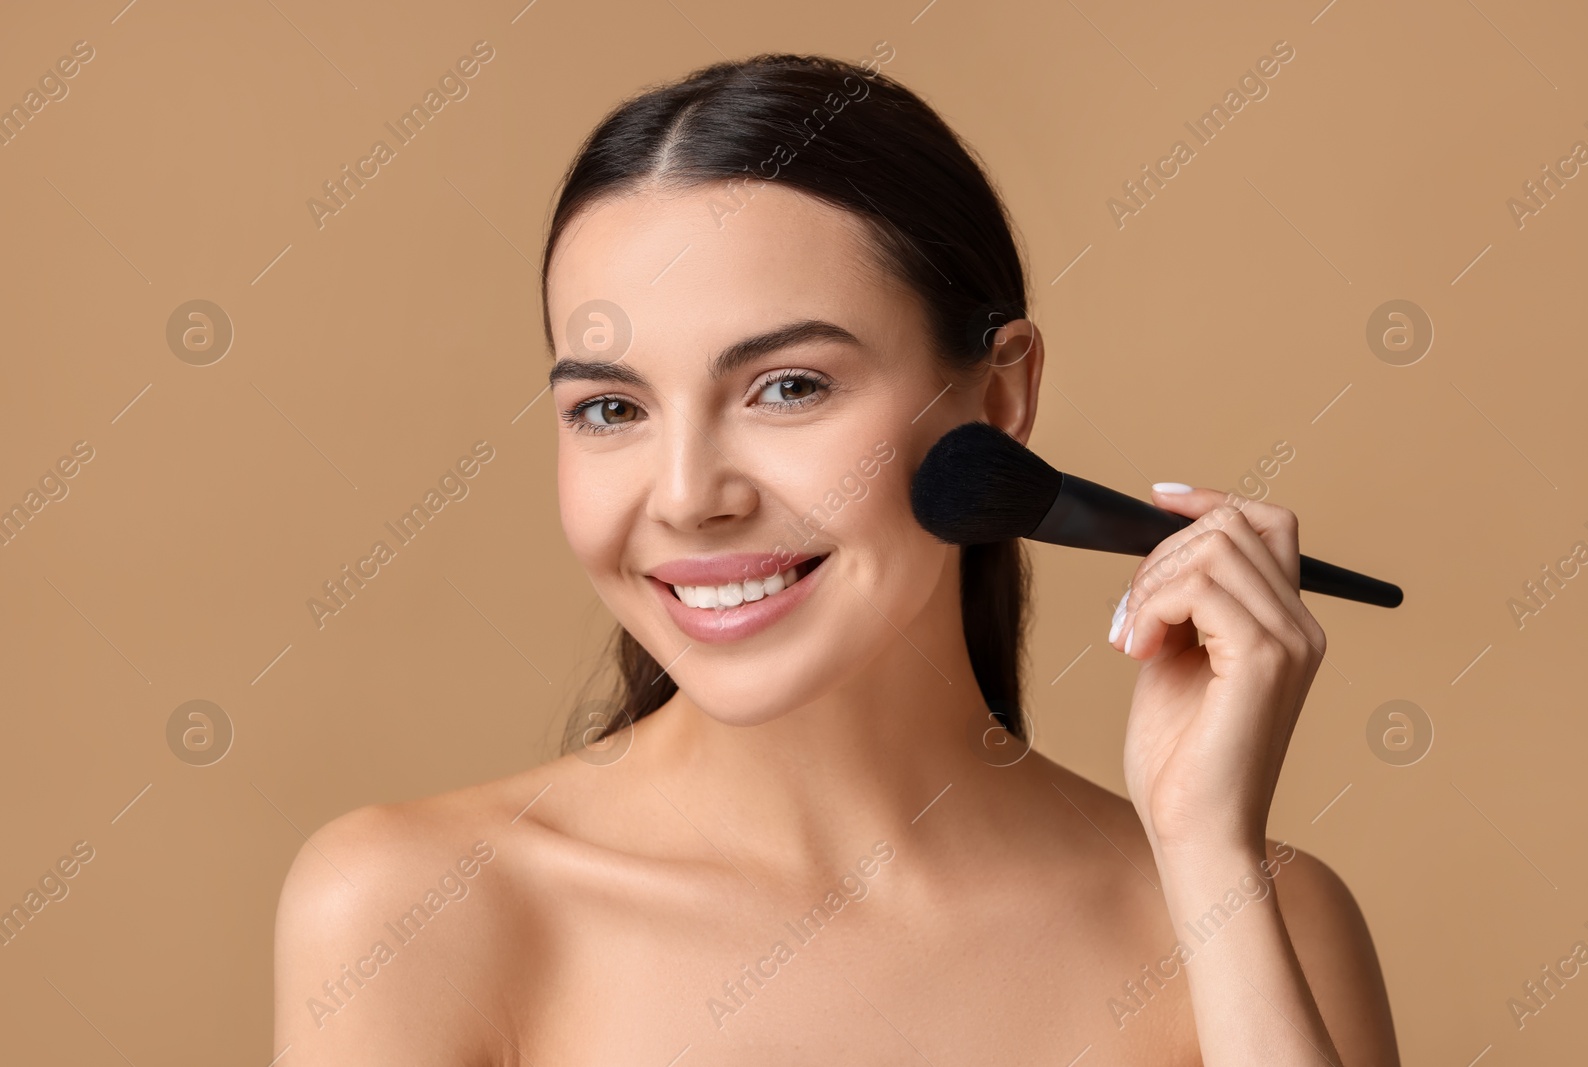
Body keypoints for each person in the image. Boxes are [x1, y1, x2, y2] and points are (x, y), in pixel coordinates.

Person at [274, 51, 1400, 1064]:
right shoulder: (416, 911)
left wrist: (1205, 859)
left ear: (999, 394)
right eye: (611, 408)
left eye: (787, 387)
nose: (686, 497)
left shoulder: (1261, 919)